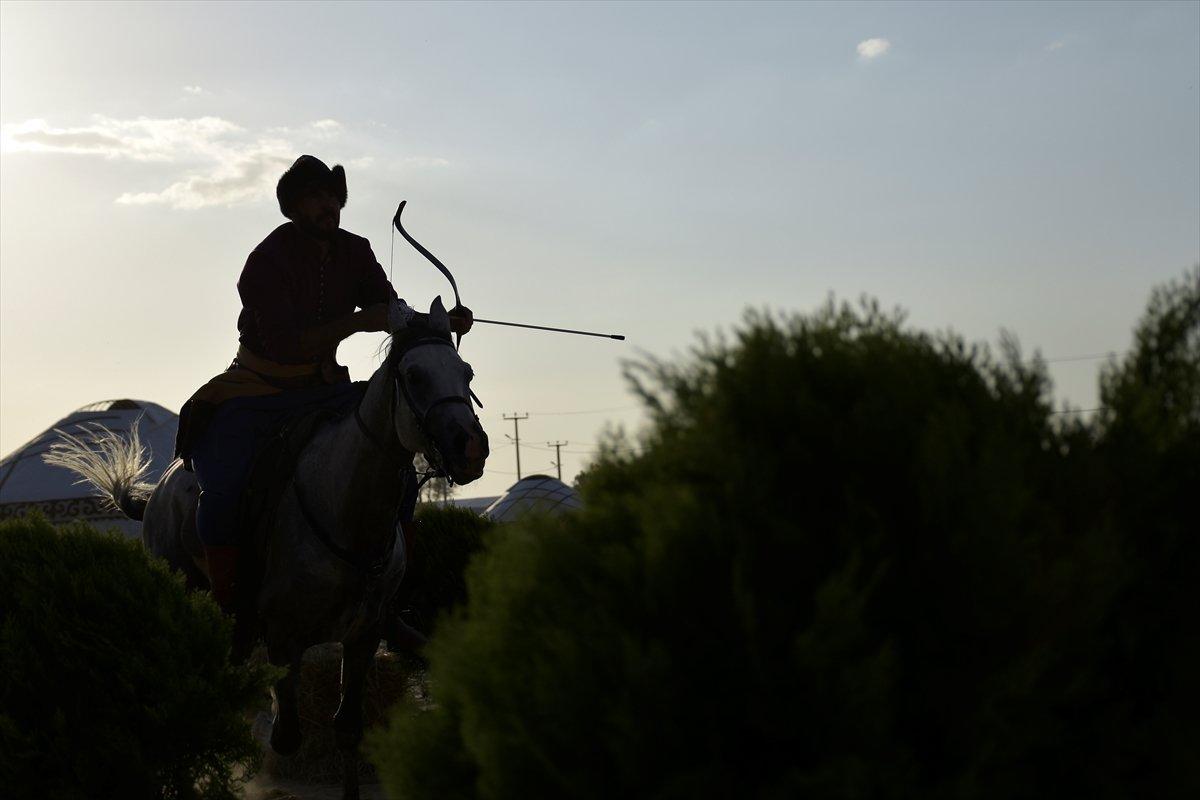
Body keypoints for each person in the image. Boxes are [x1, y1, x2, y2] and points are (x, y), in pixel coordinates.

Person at [174, 155, 472, 614]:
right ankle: (228, 609)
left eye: (332, 196)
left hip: (324, 386)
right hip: (256, 389)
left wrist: (439, 323)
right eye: (315, 197)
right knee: (223, 490)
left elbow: (389, 310)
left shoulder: (357, 250)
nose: (327, 205)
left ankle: (391, 592)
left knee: (397, 466)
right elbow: (287, 344)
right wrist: (356, 323)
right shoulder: (264, 263)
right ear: (293, 207)